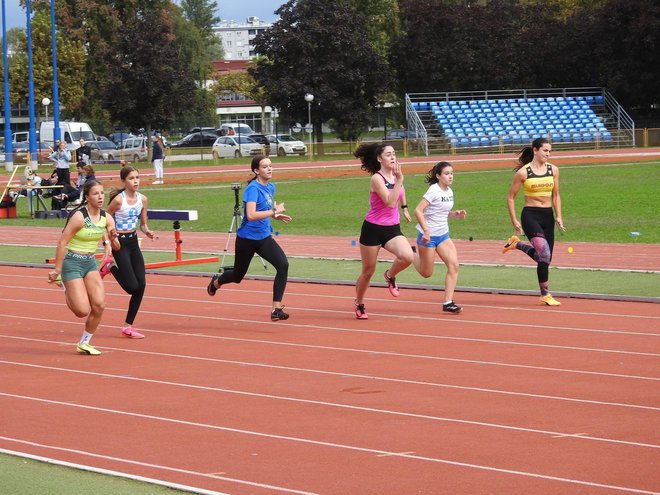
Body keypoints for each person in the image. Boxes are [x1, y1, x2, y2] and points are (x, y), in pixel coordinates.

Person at [206, 155, 292, 321]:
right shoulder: (252, 189)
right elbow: (251, 215)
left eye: (270, 166)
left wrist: (275, 216)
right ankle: (216, 282)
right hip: (247, 239)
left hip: (264, 238)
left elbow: (264, 210)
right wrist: (273, 212)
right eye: (265, 166)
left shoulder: (271, 187)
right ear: (256, 170)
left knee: (283, 265)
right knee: (238, 276)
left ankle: (276, 309)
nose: (269, 169)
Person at [47, 180, 120, 355]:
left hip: (89, 263)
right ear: (87, 196)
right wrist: (57, 269)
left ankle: (84, 342)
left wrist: (113, 238)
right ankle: (64, 283)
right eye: (96, 193)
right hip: (72, 262)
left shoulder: (107, 217)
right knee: (81, 311)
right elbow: (62, 242)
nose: (100, 196)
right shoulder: (79, 217)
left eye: (102, 193)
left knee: (99, 305)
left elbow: (115, 245)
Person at [353, 143, 413, 319]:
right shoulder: (376, 179)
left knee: (407, 256)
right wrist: (400, 179)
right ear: (380, 158)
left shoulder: (396, 177)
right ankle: (359, 302)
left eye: (394, 153)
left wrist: (405, 208)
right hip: (372, 228)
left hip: (392, 228)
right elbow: (388, 201)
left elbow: (401, 192)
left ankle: (390, 275)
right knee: (368, 271)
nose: (393, 157)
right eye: (388, 154)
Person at [503, 137, 565, 306]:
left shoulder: (554, 170)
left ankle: (516, 245)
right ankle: (545, 294)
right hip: (530, 216)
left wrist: (559, 216)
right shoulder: (523, 172)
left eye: (550, 151)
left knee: (545, 259)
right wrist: (515, 220)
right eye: (545, 150)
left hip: (547, 216)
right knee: (544, 254)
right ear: (535, 150)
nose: (548, 154)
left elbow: (556, 195)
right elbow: (510, 197)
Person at [100, 166, 155, 338]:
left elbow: (143, 224)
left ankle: (128, 326)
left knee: (142, 285)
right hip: (119, 243)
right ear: (124, 181)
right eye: (131, 178)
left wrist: (148, 232)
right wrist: (109, 240)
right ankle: (110, 267)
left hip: (133, 242)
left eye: (137, 177)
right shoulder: (118, 200)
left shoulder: (143, 199)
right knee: (132, 287)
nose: (136, 181)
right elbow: (104, 219)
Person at [411, 162, 467, 314]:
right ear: (438, 176)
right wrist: (427, 231)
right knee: (426, 273)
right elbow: (418, 210)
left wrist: (455, 214)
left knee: (454, 265)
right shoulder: (433, 190)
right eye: (447, 173)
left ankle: (448, 302)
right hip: (428, 237)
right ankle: (410, 254)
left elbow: (441, 211)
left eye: (452, 173)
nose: (450, 176)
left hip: (443, 235)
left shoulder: (449, 191)